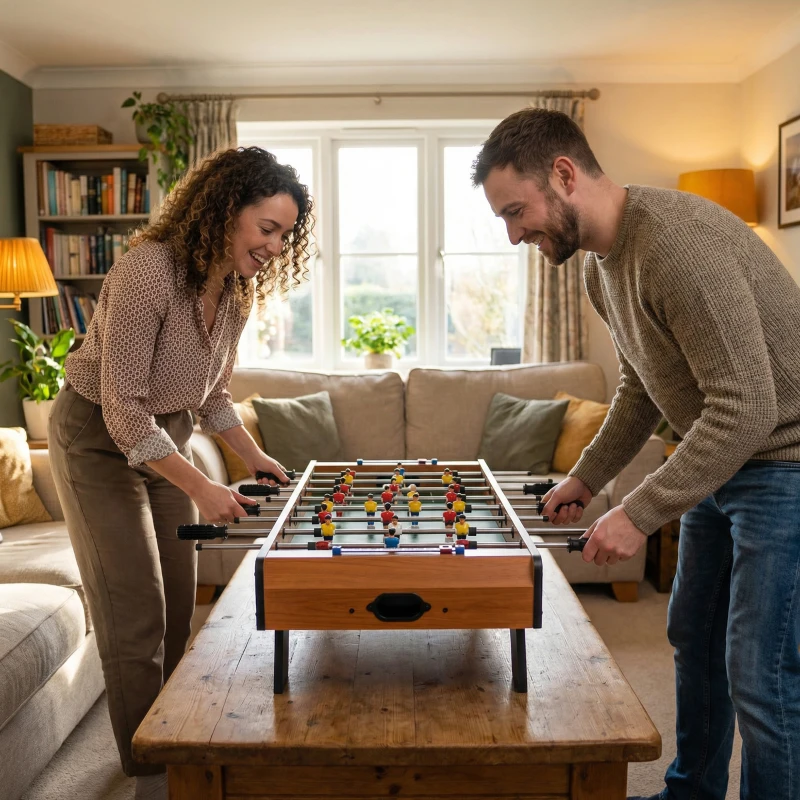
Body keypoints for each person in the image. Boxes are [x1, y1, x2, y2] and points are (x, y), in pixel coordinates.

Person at [472, 107, 800, 800]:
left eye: (515, 210)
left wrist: (638, 512)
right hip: (721, 463)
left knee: (761, 672)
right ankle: (693, 792)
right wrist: (586, 479)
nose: (512, 234)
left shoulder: (679, 246)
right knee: (692, 637)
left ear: (563, 175)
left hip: (785, 466)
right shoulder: (600, 269)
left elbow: (748, 409)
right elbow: (643, 389)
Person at [47, 146, 314, 800]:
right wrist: (203, 486)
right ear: (225, 211)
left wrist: (254, 458)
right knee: (134, 612)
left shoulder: (237, 290)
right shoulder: (147, 273)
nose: (276, 246)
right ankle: (153, 776)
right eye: (267, 229)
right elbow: (123, 408)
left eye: (287, 234)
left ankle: (171, 736)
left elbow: (211, 394)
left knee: (175, 606)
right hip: (97, 440)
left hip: (168, 436)